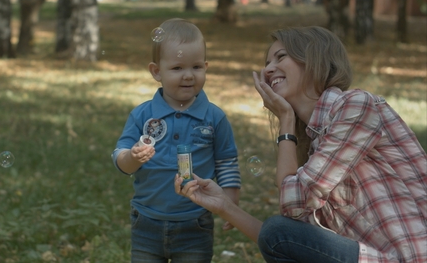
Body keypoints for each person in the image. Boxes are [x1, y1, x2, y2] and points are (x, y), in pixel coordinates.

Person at [175, 26, 427, 263]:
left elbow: (291, 209)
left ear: (314, 60)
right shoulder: (316, 148)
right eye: (266, 64)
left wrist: (286, 120)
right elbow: (294, 240)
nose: (268, 70)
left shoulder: (356, 106)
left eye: (280, 57)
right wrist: (224, 206)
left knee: (279, 230)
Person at [112, 18, 241, 262]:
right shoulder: (142, 115)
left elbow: (226, 161)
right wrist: (132, 157)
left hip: (195, 222)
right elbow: (120, 159)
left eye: (196, 67)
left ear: (206, 67)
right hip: (146, 221)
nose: (188, 76)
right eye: (177, 68)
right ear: (156, 72)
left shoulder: (214, 117)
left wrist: (230, 203)